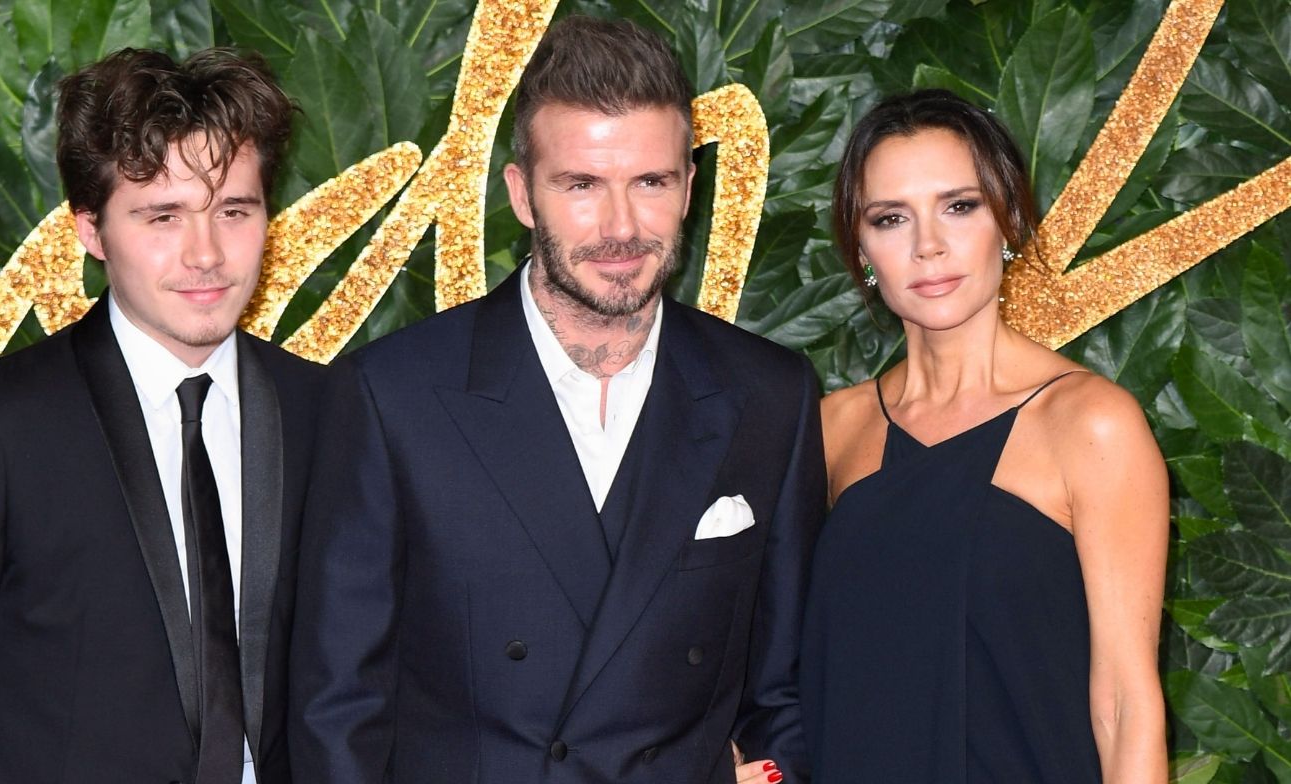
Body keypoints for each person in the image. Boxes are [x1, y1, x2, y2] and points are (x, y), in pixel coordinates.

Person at [289, 15, 824, 783]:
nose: (621, 227)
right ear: (523, 194)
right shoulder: (391, 396)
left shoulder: (769, 395)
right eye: (581, 185)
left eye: (650, 182)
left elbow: (786, 690)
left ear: (688, 187)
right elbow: (337, 710)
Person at [0, 48, 323, 783]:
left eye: (233, 211)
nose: (206, 254)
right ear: (91, 231)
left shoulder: (322, 409)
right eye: (163, 216)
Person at [801, 89, 1169, 783]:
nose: (928, 246)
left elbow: (1126, 706)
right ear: (861, 248)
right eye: (891, 218)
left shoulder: (1091, 424)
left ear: (1009, 219)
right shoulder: (829, 429)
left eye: (959, 206)